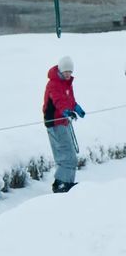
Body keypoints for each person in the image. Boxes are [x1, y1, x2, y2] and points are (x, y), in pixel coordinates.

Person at [42, 55, 84, 193]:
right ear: (60, 70)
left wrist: (76, 108)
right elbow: (58, 100)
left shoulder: (66, 83)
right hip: (55, 122)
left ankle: (65, 182)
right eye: (66, 71)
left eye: (70, 71)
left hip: (63, 121)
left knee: (68, 154)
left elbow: (69, 100)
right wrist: (66, 111)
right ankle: (62, 183)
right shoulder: (53, 84)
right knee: (68, 155)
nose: (68, 74)